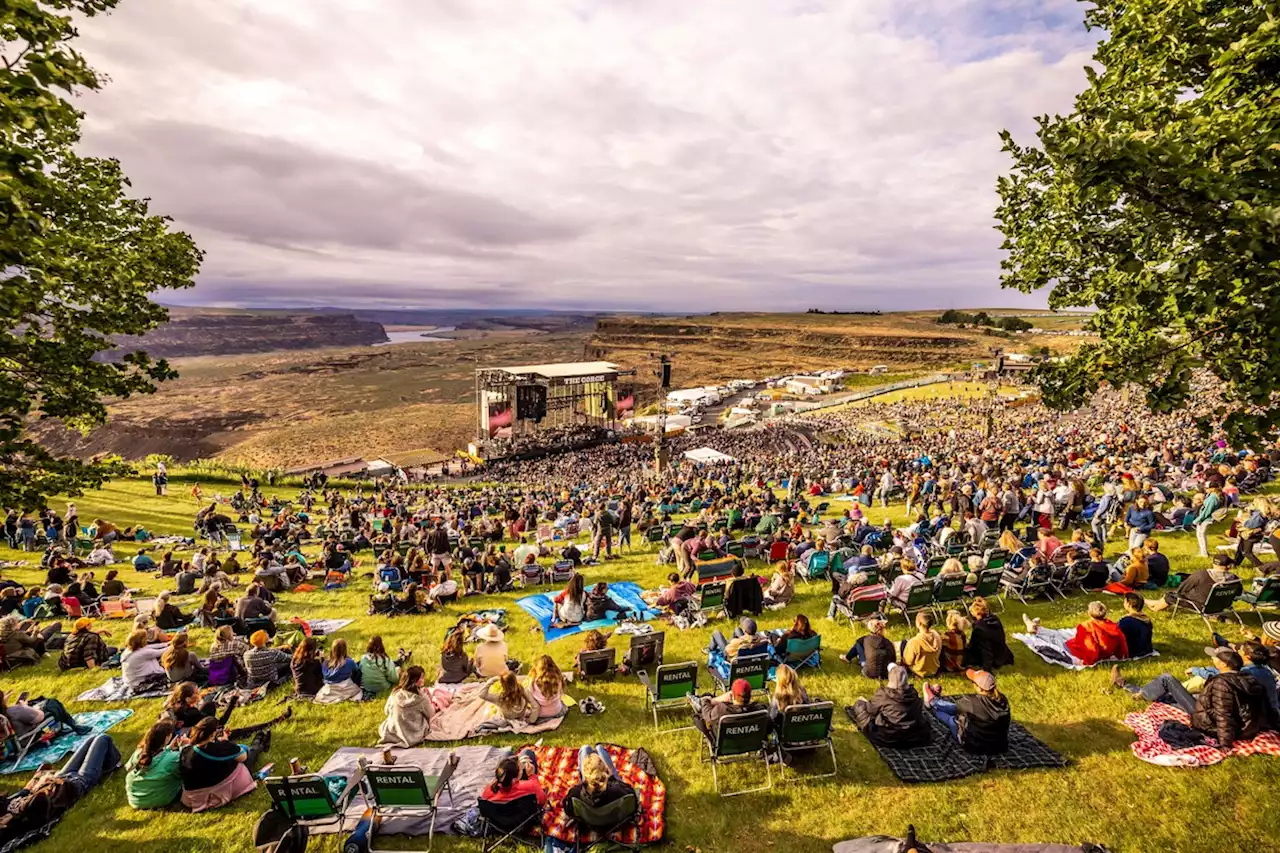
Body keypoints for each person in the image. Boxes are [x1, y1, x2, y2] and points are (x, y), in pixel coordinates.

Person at [1113, 647, 1280, 749]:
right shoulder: (1249, 677)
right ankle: (1134, 689)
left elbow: (1224, 715)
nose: (1212, 659)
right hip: (1242, 725)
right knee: (1178, 696)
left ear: (1222, 664)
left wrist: (1225, 744)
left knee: (1167, 679)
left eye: (1214, 658)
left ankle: (1133, 689)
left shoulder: (1222, 684)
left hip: (1209, 721)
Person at [179, 716, 269, 812]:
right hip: (216, 793)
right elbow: (243, 757)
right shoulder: (221, 748)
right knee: (247, 755)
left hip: (191, 799)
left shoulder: (186, 751)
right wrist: (226, 742)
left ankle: (258, 742)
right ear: (213, 734)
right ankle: (257, 744)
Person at [923, 669, 1011, 755]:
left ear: (980, 688)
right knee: (961, 712)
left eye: (973, 682)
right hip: (999, 746)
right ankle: (934, 701)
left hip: (975, 746)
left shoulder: (972, 703)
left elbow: (954, 708)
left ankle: (933, 704)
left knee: (952, 719)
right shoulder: (1003, 700)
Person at [848, 662, 932, 748]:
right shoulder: (913, 693)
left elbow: (870, 710)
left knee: (860, 706)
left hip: (888, 738)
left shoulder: (884, 694)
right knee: (924, 719)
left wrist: (863, 702)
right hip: (914, 738)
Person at [1022, 600, 1129, 666]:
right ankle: (1037, 628)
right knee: (1065, 633)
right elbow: (1122, 642)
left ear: (1089, 613)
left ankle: (1036, 629)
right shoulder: (1113, 627)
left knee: (1057, 638)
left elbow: (1091, 649)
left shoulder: (1086, 627)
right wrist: (1123, 655)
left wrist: (1087, 662)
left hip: (1078, 652)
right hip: (1103, 652)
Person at [1148, 553, 1240, 612]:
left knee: (1171, 596)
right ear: (1228, 566)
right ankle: (1152, 602)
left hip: (1201, 605)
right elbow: (1238, 593)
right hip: (1221, 605)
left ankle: (1154, 608)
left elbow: (1182, 589)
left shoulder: (1202, 574)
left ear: (1214, 564)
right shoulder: (1234, 579)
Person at [126, 721, 182, 809]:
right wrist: (184, 748)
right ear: (167, 738)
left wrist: (167, 749)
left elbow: (128, 768)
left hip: (135, 800)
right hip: (160, 799)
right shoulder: (173, 758)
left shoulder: (138, 754)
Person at [690, 677, 767, 740]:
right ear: (750, 695)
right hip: (752, 742)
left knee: (698, 718)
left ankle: (699, 703)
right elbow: (770, 727)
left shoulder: (723, 710)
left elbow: (707, 716)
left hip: (725, 743)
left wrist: (705, 701)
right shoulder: (760, 711)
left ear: (732, 696)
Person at [378, 665, 434, 748]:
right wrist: (429, 698)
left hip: (393, 731)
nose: (424, 679)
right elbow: (431, 714)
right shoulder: (421, 698)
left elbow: (386, 711)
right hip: (414, 734)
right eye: (422, 677)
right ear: (415, 680)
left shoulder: (395, 693)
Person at [564, 746, 635, 809]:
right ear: (605, 769)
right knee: (600, 748)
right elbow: (632, 796)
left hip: (589, 820)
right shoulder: (617, 789)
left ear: (585, 773)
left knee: (585, 749)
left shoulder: (576, 793)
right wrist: (612, 778)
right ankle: (599, 750)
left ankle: (589, 753)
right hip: (614, 816)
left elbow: (567, 807)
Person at [0, 689, 89, 738]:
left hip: (10, 742)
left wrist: (4, 701)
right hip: (27, 737)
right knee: (52, 703)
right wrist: (25, 706)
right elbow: (40, 716)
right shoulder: (13, 711)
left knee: (37, 703)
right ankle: (74, 726)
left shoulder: (3, 716)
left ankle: (62, 727)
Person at [963, 597, 1015, 670]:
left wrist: (986, 668)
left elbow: (985, 650)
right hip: (1001, 653)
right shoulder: (995, 618)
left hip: (993, 658)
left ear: (976, 614)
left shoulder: (979, 628)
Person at [478, 750, 545, 807]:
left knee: (507, 754)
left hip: (499, 820)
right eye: (521, 768)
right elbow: (542, 801)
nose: (522, 768)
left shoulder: (489, 790)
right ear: (515, 779)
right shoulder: (530, 786)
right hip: (523, 818)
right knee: (527, 752)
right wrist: (532, 776)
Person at [121, 629, 169, 694]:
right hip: (139, 682)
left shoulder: (128, 650)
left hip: (130, 680)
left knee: (155, 660)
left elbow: (151, 646)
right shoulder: (143, 653)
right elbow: (162, 652)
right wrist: (175, 644)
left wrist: (167, 644)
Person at [316, 638, 363, 703]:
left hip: (329, 689)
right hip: (346, 687)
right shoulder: (349, 662)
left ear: (332, 650)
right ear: (345, 649)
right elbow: (357, 669)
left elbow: (324, 674)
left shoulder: (326, 663)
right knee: (358, 691)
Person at [900, 610, 942, 678]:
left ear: (919, 624)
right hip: (934, 669)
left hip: (919, 671)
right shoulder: (937, 636)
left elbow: (908, 662)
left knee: (903, 643)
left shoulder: (914, 642)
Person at [528, 654, 567, 720]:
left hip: (540, 715)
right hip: (556, 711)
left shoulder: (533, 682)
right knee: (563, 704)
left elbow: (530, 696)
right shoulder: (558, 679)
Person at [1117, 593, 1154, 658]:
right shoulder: (1146, 619)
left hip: (1133, 652)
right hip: (1146, 649)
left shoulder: (1126, 621)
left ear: (1128, 604)